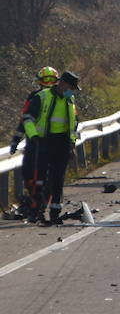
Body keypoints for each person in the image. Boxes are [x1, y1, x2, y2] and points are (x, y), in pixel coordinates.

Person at [22, 70, 80, 225]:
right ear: (63, 84)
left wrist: (72, 144)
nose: (72, 91)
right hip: (43, 142)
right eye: (71, 87)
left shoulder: (70, 100)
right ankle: (35, 212)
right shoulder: (42, 97)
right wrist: (34, 137)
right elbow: (27, 119)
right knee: (39, 180)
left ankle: (55, 212)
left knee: (58, 179)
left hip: (62, 144)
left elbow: (74, 124)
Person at [14, 67, 59, 223]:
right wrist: (16, 139)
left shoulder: (62, 98)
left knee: (48, 179)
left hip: (54, 144)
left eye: (51, 80)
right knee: (28, 175)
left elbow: (72, 121)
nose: (48, 83)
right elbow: (25, 119)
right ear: (39, 81)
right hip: (34, 143)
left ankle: (39, 207)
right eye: (45, 80)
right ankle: (34, 203)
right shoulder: (34, 97)